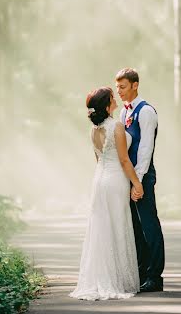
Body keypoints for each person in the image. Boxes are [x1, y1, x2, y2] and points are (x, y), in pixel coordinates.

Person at [69, 86, 143, 300]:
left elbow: (99, 159)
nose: (115, 97)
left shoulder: (93, 130)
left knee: (102, 228)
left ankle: (101, 277)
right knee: (117, 225)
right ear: (107, 104)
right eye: (112, 96)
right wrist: (136, 184)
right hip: (115, 180)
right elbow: (123, 160)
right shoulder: (116, 127)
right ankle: (116, 280)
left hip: (99, 180)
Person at [116, 67, 165, 293]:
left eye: (123, 87)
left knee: (149, 226)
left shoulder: (146, 112)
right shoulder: (124, 113)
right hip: (128, 178)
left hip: (142, 177)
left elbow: (145, 149)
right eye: (117, 87)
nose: (119, 91)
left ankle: (155, 276)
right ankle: (142, 272)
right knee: (134, 227)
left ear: (135, 85)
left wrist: (139, 181)